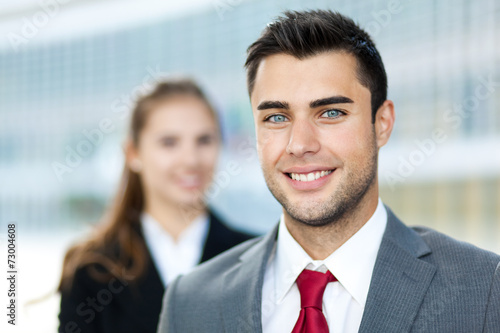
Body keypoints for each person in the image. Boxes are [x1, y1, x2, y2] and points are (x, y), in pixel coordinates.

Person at [157, 10, 500, 333]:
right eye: (277, 118)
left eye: (331, 113)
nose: (300, 144)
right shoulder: (189, 303)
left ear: (382, 123)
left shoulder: (483, 290)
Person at [57, 79, 253, 333]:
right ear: (133, 153)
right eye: (169, 142)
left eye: (204, 140)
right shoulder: (92, 266)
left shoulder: (255, 257)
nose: (190, 159)